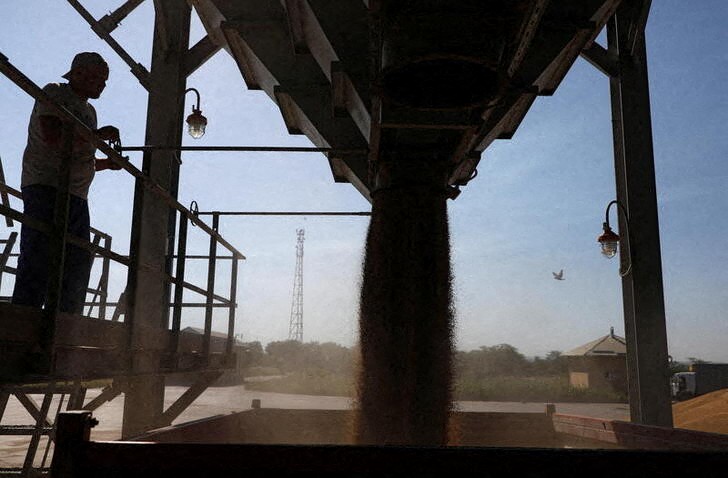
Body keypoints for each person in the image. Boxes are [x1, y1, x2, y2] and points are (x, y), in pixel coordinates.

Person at [12, 52, 122, 314]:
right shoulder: (55, 93)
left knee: (78, 258)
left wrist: (108, 163)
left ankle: (64, 321)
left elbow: (81, 156)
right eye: (97, 78)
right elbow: (53, 138)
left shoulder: (89, 111)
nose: (102, 85)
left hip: (76, 194)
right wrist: (96, 136)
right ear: (78, 73)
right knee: (39, 253)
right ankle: (23, 318)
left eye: (104, 80)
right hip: (45, 186)